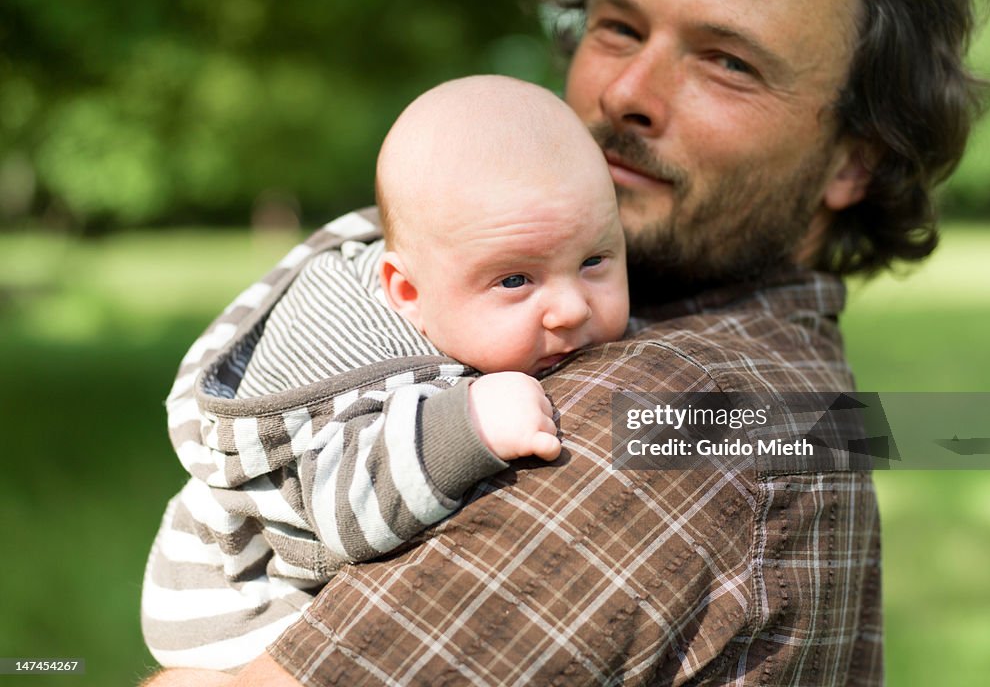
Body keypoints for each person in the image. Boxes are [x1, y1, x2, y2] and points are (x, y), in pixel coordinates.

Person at [142, 0, 986, 684]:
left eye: (728, 61)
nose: (628, 94)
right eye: (617, 27)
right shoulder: (800, 393)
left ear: (855, 163)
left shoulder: (676, 410)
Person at [141, 76, 629, 671]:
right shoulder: (353, 358)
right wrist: (465, 425)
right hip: (244, 610)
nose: (572, 308)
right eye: (514, 281)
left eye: (594, 261)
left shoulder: (463, 273)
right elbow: (339, 509)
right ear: (407, 291)